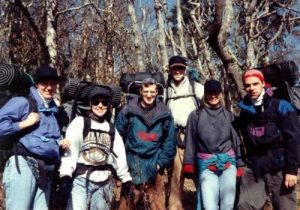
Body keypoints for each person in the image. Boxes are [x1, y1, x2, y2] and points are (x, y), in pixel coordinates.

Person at [0, 65, 67, 210]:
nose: (49, 87)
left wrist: (60, 142)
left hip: (45, 171)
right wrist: (23, 124)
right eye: (45, 83)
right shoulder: (23, 102)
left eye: (53, 83)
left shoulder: (53, 110)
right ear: (37, 84)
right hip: (23, 167)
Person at [58, 85, 132, 210]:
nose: (100, 105)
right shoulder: (80, 123)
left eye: (104, 102)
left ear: (108, 105)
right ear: (90, 104)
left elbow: (119, 155)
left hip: (105, 181)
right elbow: (71, 152)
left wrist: (126, 179)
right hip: (81, 180)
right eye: (96, 102)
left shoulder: (112, 129)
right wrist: (65, 175)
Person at [237, 69, 300, 210]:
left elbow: (294, 139)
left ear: (263, 83)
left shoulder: (282, 106)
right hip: (255, 167)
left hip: (280, 168)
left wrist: (291, 170)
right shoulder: (244, 111)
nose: (251, 88)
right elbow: (245, 140)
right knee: (244, 205)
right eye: (248, 85)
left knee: (285, 207)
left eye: (255, 84)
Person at [116, 77, 176, 210]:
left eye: (152, 92)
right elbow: (117, 137)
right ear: (141, 91)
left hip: (155, 162)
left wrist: (160, 163)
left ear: (157, 92)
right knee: (126, 204)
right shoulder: (128, 111)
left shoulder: (165, 113)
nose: (149, 95)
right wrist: (122, 163)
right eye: (146, 91)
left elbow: (170, 142)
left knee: (158, 205)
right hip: (132, 162)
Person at [183, 79, 243, 210]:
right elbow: (190, 141)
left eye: (216, 92)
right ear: (205, 94)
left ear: (221, 94)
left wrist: (240, 163)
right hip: (206, 165)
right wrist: (188, 163)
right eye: (210, 93)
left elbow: (236, 140)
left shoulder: (229, 115)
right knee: (209, 205)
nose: (213, 96)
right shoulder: (195, 116)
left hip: (228, 163)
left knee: (228, 204)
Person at [165, 55, 204, 210]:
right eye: (175, 68)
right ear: (170, 70)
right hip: (174, 137)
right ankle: (175, 207)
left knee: (200, 175)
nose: (178, 71)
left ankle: (205, 205)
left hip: (195, 137)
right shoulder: (165, 91)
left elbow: (211, 106)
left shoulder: (196, 88)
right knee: (175, 178)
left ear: (185, 69)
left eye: (180, 68)